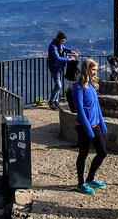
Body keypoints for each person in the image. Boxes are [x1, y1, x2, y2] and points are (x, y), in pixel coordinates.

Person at [72, 58, 108, 195]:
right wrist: (88, 129)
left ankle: (90, 178)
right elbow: (80, 110)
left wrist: (102, 123)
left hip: (95, 124)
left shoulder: (92, 86)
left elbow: (96, 107)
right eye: (93, 69)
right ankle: (81, 183)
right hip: (83, 126)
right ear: (86, 69)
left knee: (102, 152)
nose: (95, 72)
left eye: (96, 70)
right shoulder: (78, 87)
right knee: (83, 154)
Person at [47, 31, 76, 110]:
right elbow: (57, 58)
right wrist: (69, 59)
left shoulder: (59, 45)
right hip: (54, 68)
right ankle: (51, 100)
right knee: (59, 86)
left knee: (58, 86)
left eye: (64, 41)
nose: (63, 42)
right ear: (58, 39)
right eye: (62, 41)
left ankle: (56, 101)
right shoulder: (53, 47)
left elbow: (64, 48)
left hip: (59, 67)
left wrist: (71, 51)